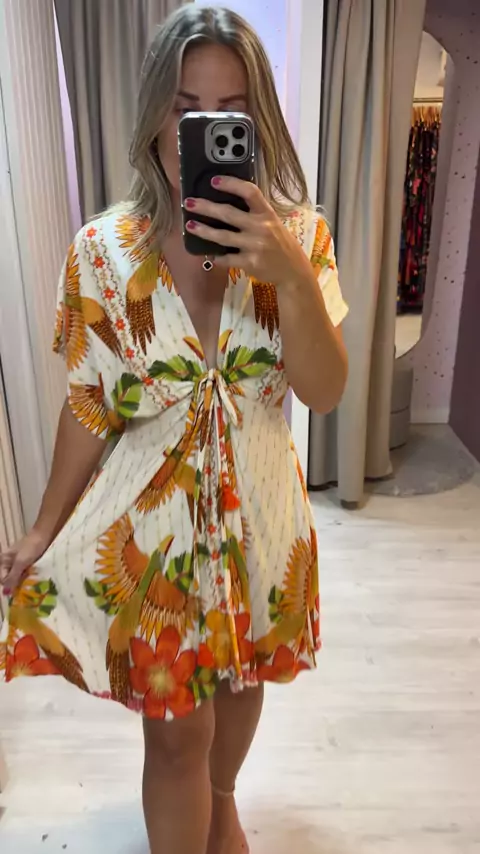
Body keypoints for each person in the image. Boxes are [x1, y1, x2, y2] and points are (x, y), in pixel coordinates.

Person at [0, 6, 348, 854]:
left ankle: (223, 800)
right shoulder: (101, 251)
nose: (201, 131)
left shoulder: (300, 239)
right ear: (156, 114)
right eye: (185, 108)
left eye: (229, 111)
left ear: (256, 121)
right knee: (175, 733)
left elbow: (325, 390)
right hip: (151, 536)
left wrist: (292, 279)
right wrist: (41, 529)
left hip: (261, 521)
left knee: (241, 684)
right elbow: (90, 405)